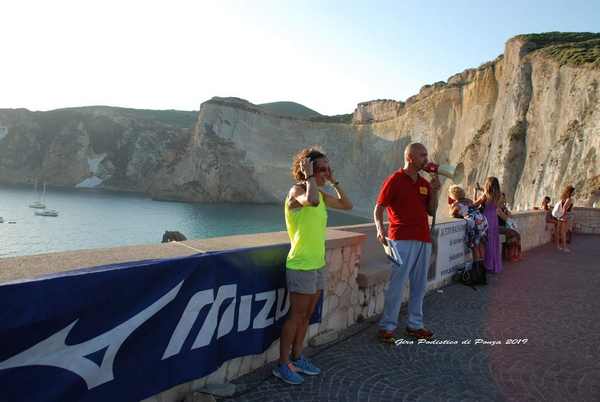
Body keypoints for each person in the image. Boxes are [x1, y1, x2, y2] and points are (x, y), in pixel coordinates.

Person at [274, 147, 353, 385]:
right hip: (300, 264)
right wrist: (309, 178)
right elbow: (310, 200)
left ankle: (298, 357)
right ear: (307, 169)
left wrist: (334, 180)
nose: (325, 173)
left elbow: (347, 205)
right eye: (321, 169)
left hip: (317, 263)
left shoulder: (318, 191)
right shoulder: (297, 191)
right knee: (296, 315)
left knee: (307, 315)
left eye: (327, 168)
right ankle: (282, 364)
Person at [374, 143, 441, 342]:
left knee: (420, 285)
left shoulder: (424, 183)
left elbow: (431, 211)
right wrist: (380, 229)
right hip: (400, 238)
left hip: (423, 238)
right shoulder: (394, 180)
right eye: (423, 155)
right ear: (410, 157)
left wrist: (435, 190)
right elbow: (378, 208)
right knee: (397, 284)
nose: (426, 159)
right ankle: (387, 326)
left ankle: (415, 325)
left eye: (426, 155)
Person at [448, 185, 487, 270]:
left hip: (473, 223)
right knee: (480, 244)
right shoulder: (468, 200)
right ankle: (483, 268)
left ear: (453, 195)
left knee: (474, 247)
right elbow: (474, 205)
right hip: (481, 220)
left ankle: (477, 270)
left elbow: (452, 214)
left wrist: (451, 206)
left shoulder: (456, 204)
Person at [473, 177, 503, 273]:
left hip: (485, 219)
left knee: (486, 243)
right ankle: (494, 265)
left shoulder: (485, 196)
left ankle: (487, 265)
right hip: (494, 219)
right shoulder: (499, 195)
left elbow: (474, 204)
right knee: (494, 242)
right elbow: (498, 206)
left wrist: (475, 193)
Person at [498, 193, 521, 261]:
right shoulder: (497, 208)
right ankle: (511, 255)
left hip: (504, 227)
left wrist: (505, 209)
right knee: (514, 234)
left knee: (516, 235)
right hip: (498, 227)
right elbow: (506, 219)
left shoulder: (503, 208)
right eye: (501, 198)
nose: (502, 200)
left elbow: (510, 216)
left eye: (503, 198)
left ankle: (514, 254)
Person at [555, 185, 575, 252]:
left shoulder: (563, 198)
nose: (574, 193)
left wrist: (560, 216)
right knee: (563, 232)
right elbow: (564, 208)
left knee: (558, 232)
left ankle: (558, 246)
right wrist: (563, 216)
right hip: (563, 217)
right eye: (573, 192)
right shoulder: (569, 199)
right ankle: (564, 248)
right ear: (570, 192)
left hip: (559, 216)